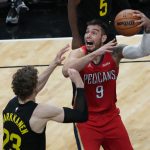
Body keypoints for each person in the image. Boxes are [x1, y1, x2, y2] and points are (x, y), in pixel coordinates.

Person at [62, 11, 150, 150]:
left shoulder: (114, 52)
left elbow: (143, 51)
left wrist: (148, 29)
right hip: (86, 119)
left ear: (103, 38)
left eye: (94, 33)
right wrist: (95, 54)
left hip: (111, 117)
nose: (88, 35)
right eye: (87, 32)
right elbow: (66, 71)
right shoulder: (78, 53)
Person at [2, 45, 88, 150]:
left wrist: (54, 64)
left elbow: (34, 86)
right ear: (34, 89)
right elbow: (81, 115)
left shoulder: (10, 105)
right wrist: (79, 85)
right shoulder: (40, 112)